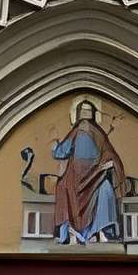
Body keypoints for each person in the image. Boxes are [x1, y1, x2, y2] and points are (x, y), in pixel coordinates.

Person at [49, 95, 123, 245]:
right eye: (83, 113)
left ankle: (98, 231)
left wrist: (55, 145)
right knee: (67, 188)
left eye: (86, 113)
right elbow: (109, 154)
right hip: (80, 177)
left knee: (104, 189)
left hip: (93, 177)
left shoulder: (86, 133)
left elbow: (60, 152)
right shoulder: (95, 133)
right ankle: (86, 233)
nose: (85, 122)